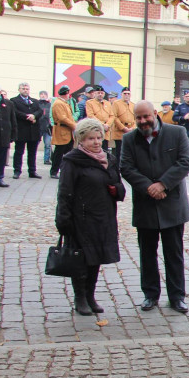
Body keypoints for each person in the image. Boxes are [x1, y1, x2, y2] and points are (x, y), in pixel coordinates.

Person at [121, 101, 189, 314]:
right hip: (145, 204)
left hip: (172, 204)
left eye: (146, 117)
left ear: (154, 113)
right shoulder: (129, 139)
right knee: (147, 253)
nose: (143, 121)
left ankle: (177, 296)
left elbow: (185, 162)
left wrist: (163, 184)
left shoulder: (177, 132)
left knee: (174, 253)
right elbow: (126, 167)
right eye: (138, 118)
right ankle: (150, 294)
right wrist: (148, 187)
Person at [55, 118, 126, 315]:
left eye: (98, 138)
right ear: (80, 140)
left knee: (96, 257)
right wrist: (63, 219)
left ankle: (90, 295)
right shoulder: (72, 160)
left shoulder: (109, 159)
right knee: (81, 258)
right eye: (90, 139)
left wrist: (116, 190)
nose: (95, 142)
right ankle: (80, 298)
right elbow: (65, 192)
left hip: (103, 217)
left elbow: (119, 185)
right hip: (81, 218)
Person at [12, 82, 43, 179]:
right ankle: (17, 171)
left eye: (27, 89)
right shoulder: (14, 101)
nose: (25, 90)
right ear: (19, 90)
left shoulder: (34, 101)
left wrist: (34, 116)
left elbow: (40, 111)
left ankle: (32, 171)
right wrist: (27, 117)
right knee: (19, 152)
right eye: (23, 88)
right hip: (21, 130)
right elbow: (15, 112)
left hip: (33, 131)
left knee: (32, 152)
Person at [50, 86, 76, 178]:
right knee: (59, 153)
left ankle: (66, 170)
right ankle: (54, 171)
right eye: (68, 93)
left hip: (67, 132)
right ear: (66, 94)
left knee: (68, 153)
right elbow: (62, 118)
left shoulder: (64, 103)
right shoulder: (58, 103)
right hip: (62, 131)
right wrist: (74, 126)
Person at [109, 86, 135, 165]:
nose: (127, 95)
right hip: (119, 131)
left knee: (129, 152)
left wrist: (133, 128)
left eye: (128, 94)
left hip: (130, 131)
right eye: (125, 93)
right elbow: (114, 117)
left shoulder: (133, 105)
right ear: (121, 94)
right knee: (119, 152)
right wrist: (123, 128)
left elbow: (135, 118)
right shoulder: (116, 103)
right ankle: (118, 169)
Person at [39, 90, 53, 167]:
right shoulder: (37, 104)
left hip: (47, 127)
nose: (43, 95)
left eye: (45, 94)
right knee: (34, 144)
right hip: (38, 127)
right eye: (41, 94)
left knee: (47, 144)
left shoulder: (50, 105)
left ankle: (46, 159)